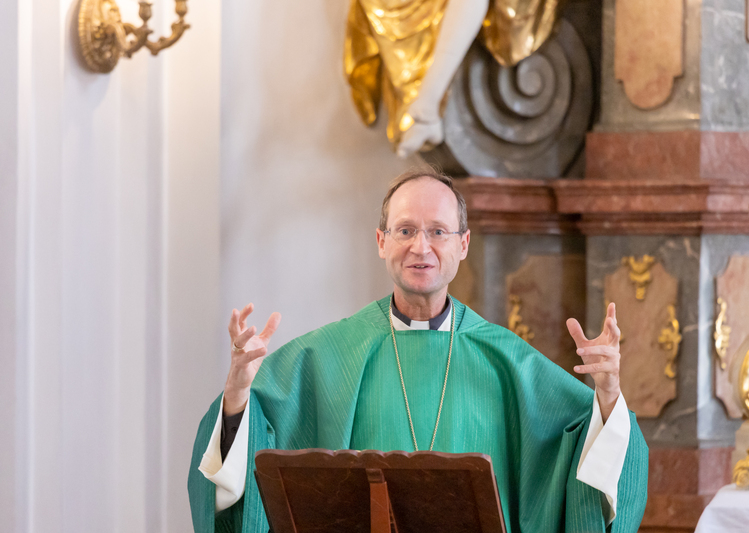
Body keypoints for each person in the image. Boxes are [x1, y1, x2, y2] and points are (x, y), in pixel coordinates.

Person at [188, 168, 648, 532]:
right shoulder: (325, 358)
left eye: (438, 232)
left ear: (463, 244)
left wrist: (607, 395)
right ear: (381, 241)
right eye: (405, 230)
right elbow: (244, 464)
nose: (420, 247)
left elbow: (595, 458)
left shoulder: (512, 363)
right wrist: (236, 398)